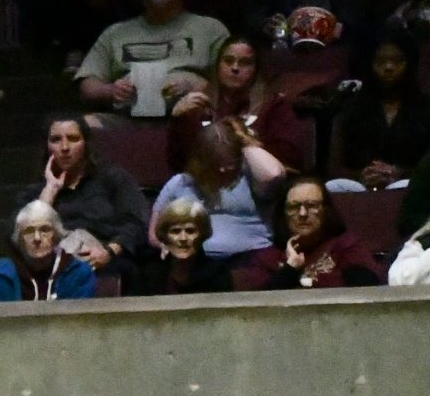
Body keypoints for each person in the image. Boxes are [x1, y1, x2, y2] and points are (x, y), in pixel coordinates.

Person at [23, 115, 147, 282]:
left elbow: (136, 223)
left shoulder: (112, 179)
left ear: (86, 144)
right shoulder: (36, 193)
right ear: (47, 147)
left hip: (107, 261)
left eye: (73, 139)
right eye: (56, 140)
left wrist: (109, 252)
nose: (65, 147)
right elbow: (25, 235)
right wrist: (50, 190)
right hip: (54, 267)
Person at [77, 0, 231, 124]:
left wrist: (196, 88)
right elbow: (88, 84)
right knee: (82, 125)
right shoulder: (114, 33)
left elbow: (235, 81)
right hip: (127, 122)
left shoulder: (211, 29)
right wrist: (110, 90)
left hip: (193, 121)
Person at [169, 35, 307, 176]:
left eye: (245, 62)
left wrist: (247, 144)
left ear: (255, 69)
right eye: (228, 61)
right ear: (218, 65)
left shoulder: (273, 104)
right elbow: (179, 162)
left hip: (254, 181)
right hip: (206, 180)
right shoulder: (198, 102)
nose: (235, 68)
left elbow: (290, 156)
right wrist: (179, 120)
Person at [152, 120, 286, 259]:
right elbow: (155, 233)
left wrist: (244, 141)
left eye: (230, 162)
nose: (224, 169)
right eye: (217, 162)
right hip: (196, 261)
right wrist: (172, 251)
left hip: (251, 257)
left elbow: (274, 174)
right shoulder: (181, 183)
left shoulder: (252, 178)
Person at [327, 37, 430, 195]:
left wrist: (398, 172)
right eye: (380, 61)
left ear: (410, 65)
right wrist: (363, 175)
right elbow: (334, 168)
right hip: (359, 185)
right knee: (335, 186)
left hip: (409, 184)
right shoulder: (350, 109)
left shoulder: (425, 108)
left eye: (397, 61)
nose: (388, 67)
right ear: (370, 65)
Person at [241, 176, 388, 286]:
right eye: (294, 207)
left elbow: (368, 286)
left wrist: (303, 282)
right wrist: (290, 269)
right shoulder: (267, 258)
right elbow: (260, 306)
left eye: (311, 205)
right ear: (283, 213)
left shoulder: (346, 247)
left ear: (326, 210)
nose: (303, 213)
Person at [0, 201, 98, 300]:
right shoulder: (0, 275)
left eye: (45, 230)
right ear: (19, 240)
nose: (37, 238)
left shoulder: (79, 273)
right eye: (29, 231)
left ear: (56, 236)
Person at [128, 195, 236, 292]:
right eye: (175, 231)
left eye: (190, 231)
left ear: (202, 235)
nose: (183, 238)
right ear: (164, 237)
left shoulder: (217, 274)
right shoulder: (147, 275)